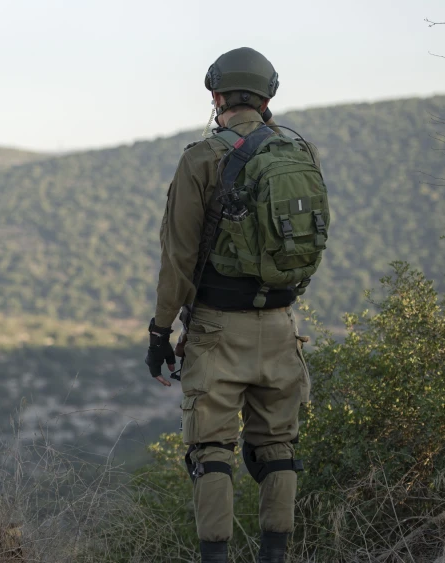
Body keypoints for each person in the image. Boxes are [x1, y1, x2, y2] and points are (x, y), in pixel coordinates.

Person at [145, 47, 329, 563]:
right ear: (267, 96)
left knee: (211, 452)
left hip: (216, 331)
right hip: (279, 324)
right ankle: (276, 555)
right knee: (278, 449)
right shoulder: (301, 153)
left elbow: (177, 258)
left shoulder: (201, 158)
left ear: (217, 96)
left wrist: (160, 333)